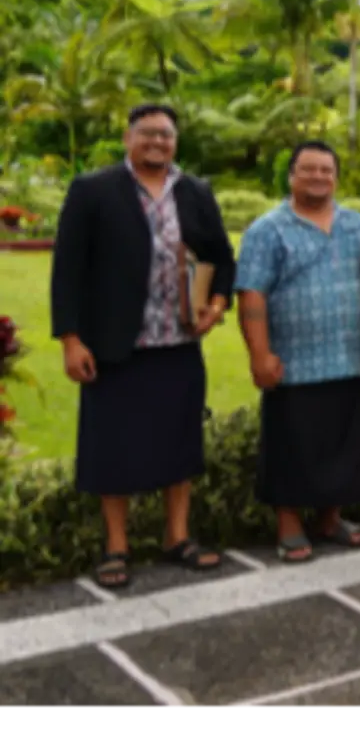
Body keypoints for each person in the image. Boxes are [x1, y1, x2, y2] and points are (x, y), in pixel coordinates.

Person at [49, 103, 235, 588]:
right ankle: (116, 546)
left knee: (180, 441)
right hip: (115, 344)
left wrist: (215, 307)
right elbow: (66, 269)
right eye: (148, 133)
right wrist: (71, 339)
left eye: (167, 135)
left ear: (176, 142)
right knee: (112, 447)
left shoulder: (194, 191)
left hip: (178, 341)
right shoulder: (93, 190)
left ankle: (177, 536)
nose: (158, 142)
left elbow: (221, 255)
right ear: (128, 136)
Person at [235, 141, 360, 562]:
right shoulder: (268, 229)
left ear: (336, 177)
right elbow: (252, 295)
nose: (318, 177)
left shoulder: (357, 226)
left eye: (326, 171)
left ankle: (331, 519)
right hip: (293, 363)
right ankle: (290, 524)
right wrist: (259, 355)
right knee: (292, 445)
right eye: (309, 170)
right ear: (292, 175)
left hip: (347, 358)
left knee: (343, 444)